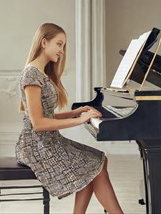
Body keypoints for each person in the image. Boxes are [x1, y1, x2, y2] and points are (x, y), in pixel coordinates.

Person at [15, 23, 123, 214]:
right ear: (43, 42)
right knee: (93, 165)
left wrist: (76, 112)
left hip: (48, 140)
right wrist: (79, 120)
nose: (62, 51)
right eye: (59, 44)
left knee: (98, 160)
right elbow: (38, 124)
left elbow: (45, 115)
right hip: (36, 146)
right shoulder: (32, 74)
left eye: (63, 46)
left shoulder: (41, 74)